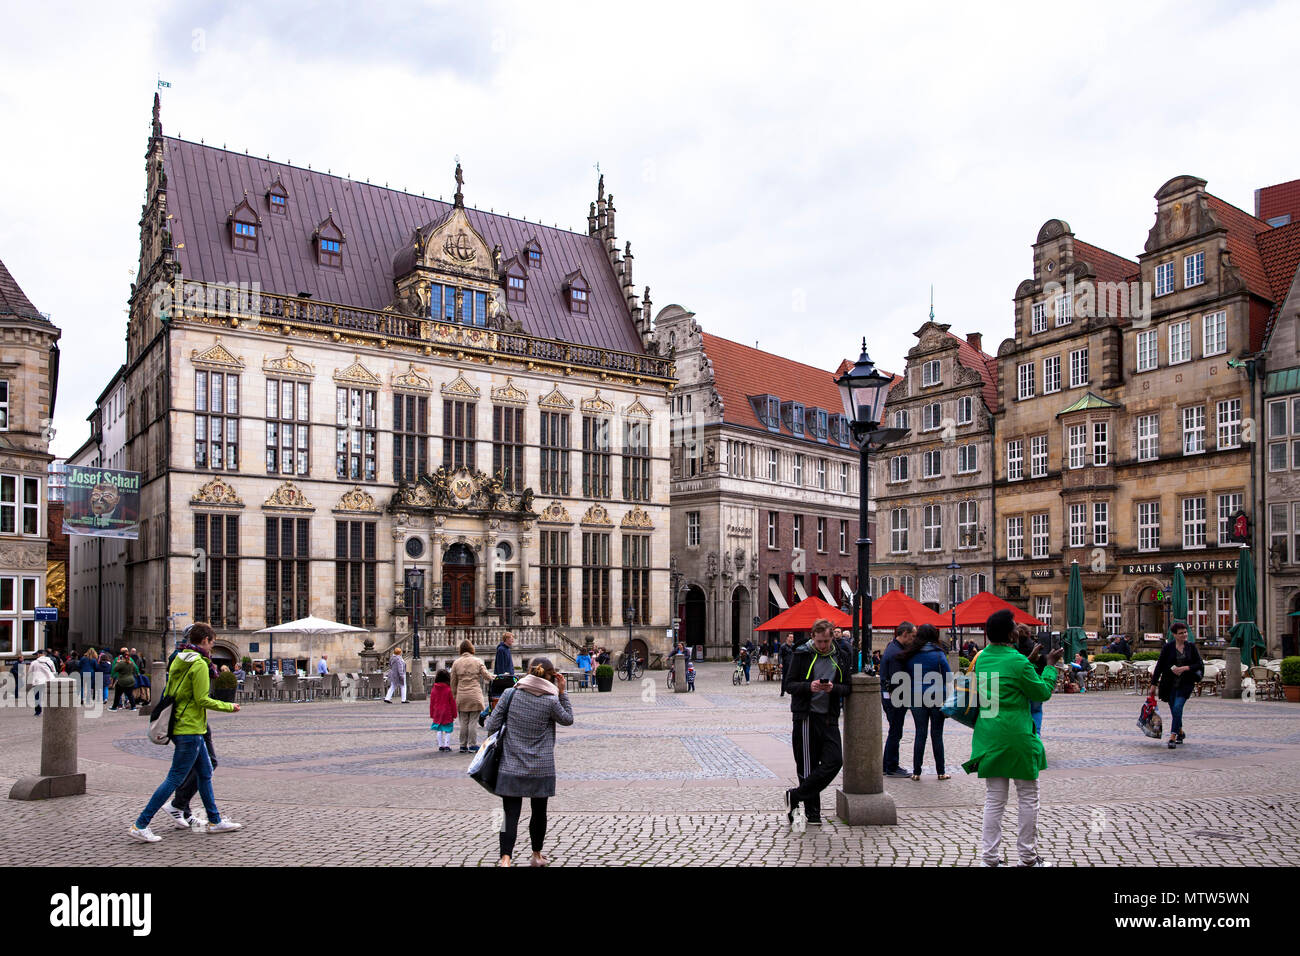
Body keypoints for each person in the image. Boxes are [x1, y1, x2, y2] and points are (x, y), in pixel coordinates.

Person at [963, 608, 1062, 867]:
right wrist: (1050, 667)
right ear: (1010, 633)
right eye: (1015, 625)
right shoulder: (1018, 662)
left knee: (994, 799)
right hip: (1016, 734)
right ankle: (1028, 857)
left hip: (988, 735)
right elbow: (1041, 693)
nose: (1018, 628)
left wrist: (1027, 659)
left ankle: (989, 859)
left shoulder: (982, 658)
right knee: (1028, 796)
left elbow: (1005, 673)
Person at [129, 622, 242, 842]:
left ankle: (215, 820)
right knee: (174, 778)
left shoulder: (180, 658)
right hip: (190, 727)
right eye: (212, 642)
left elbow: (173, 692)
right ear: (205, 640)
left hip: (184, 724)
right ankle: (141, 824)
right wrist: (229, 706)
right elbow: (201, 699)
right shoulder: (199, 664)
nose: (212, 647)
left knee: (206, 772)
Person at [486, 657, 574, 866]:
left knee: (509, 814)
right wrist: (563, 692)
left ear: (528, 671)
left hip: (511, 763)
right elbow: (568, 719)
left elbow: (491, 725)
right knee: (539, 812)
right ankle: (536, 855)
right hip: (540, 766)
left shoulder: (510, 694)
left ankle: (505, 858)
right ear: (552, 676)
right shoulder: (551, 700)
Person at [781, 619, 851, 828]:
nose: (823, 646)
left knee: (835, 761)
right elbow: (789, 684)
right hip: (806, 716)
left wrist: (833, 688)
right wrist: (808, 687)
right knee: (807, 767)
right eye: (819, 641)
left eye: (827, 641)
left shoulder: (840, 656)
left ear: (832, 638)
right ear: (812, 637)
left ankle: (795, 796)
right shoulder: (802, 654)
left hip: (829, 717)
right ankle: (812, 813)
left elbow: (847, 687)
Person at [906, 623, 951, 780]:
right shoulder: (939, 654)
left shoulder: (911, 653)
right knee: (937, 735)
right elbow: (948, 676)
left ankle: (916, 772)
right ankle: (941, 772)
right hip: (937, 697)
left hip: (916, 696)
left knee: (920, 734)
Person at [1150, 623, 1204, 750]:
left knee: (1178, 707)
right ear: (1174, 635)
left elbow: (1199, 664)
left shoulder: (1191, 647)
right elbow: (1159, 666)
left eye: (1185, 632)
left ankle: (1172, 737)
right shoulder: (1168, 648)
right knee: (1175, 711)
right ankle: (1180, 732)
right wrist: (1153, 684)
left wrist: (1185, 668)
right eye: (1181, 633)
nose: (1184, 635)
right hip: (1169, 684)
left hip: (1185, 683)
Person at [879, 622, 915, 778]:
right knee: (895, 732)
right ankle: (892, 766)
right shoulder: (896, 653)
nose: (914, 639)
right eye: (913, 636)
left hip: (890, 697)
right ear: (905, 633)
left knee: (894, 731)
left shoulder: (892, 647)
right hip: (895, 698)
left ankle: (886, 764)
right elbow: (896, 680)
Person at [450, 640, 490, 752]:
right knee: (473, 721)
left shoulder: (456, 663)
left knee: (463, 721)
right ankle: (472, 744)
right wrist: (496, 677)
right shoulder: (477, 661)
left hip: (462, 695)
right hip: (474, 694)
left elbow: (453, 682)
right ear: (472, 649)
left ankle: (462, 745)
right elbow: (487, 676)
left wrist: (454, 696)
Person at [429, 669, 457, 752]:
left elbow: (432, 702)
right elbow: (452, 703)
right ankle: (447, 745)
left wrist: (432, 713)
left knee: (439, 729)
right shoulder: (449, 689)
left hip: (437, 711)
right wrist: (454, 713)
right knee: (448, 730)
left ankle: (440, 745)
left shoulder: (434, 689)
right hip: (447, 712)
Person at [28, 650, 56, 717]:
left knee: (37, 697)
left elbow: (30, 672)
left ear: (40, 654)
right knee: (49, 697)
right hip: (49, 681)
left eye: (37, 654)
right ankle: (51, 711)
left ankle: (38, 712)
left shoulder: (34, 663)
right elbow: (54, 671)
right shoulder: (50, 661)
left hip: (37, 682)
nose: (36, 656)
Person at [491, 632, 517, 705]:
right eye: (511, 638)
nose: (513, 640)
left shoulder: (507, 649)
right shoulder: (501, 649)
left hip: (509, 678)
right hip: (504, 679)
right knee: (501, 699)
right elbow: (500, 665)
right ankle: (484, 714)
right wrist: (503, 676)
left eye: (513, 638)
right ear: (506, 639)